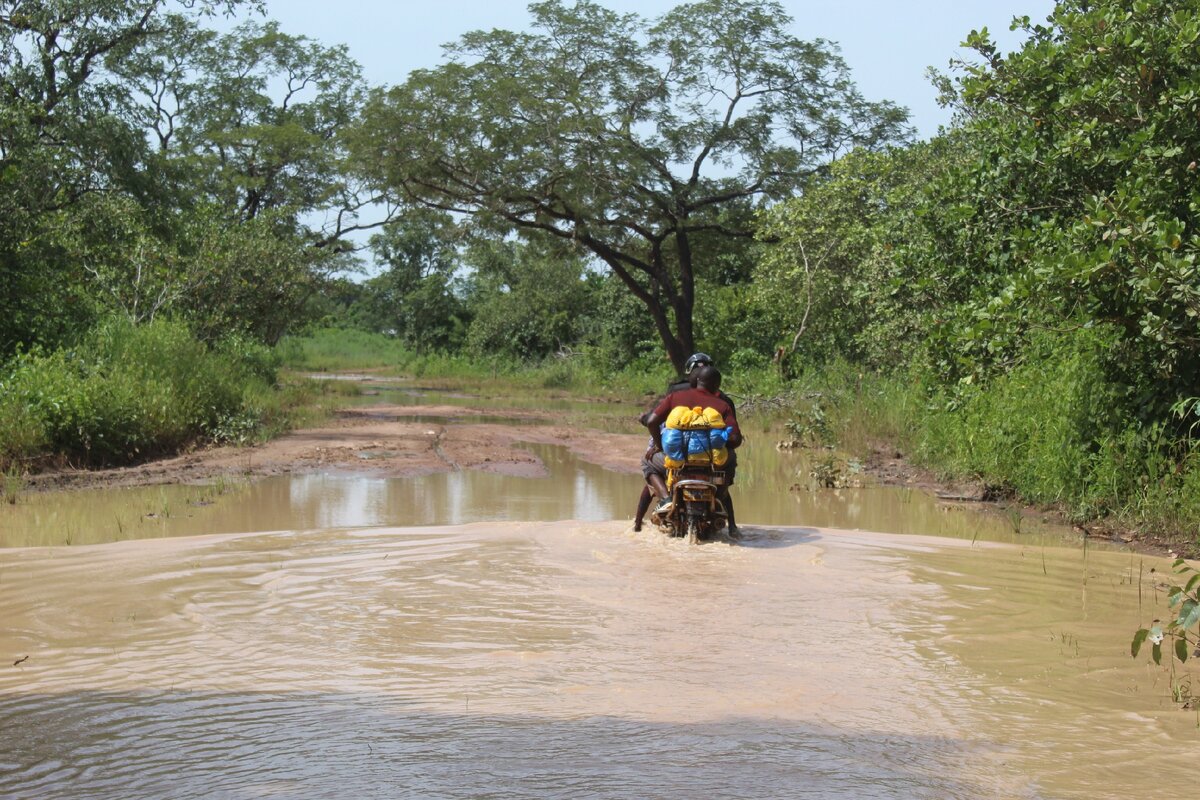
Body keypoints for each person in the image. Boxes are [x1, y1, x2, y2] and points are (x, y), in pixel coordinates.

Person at [639, 365, 743, 535]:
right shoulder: (722, 405)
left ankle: (666, 499)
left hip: (678, 460)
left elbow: (651, 422)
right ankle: (720, 496)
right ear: (717, 385)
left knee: (647, 462)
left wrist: (661, 446)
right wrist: (720, 445)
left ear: (696, 381)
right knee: (730, 460)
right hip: (711, 464)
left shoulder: (675, 397)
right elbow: (736, 439)